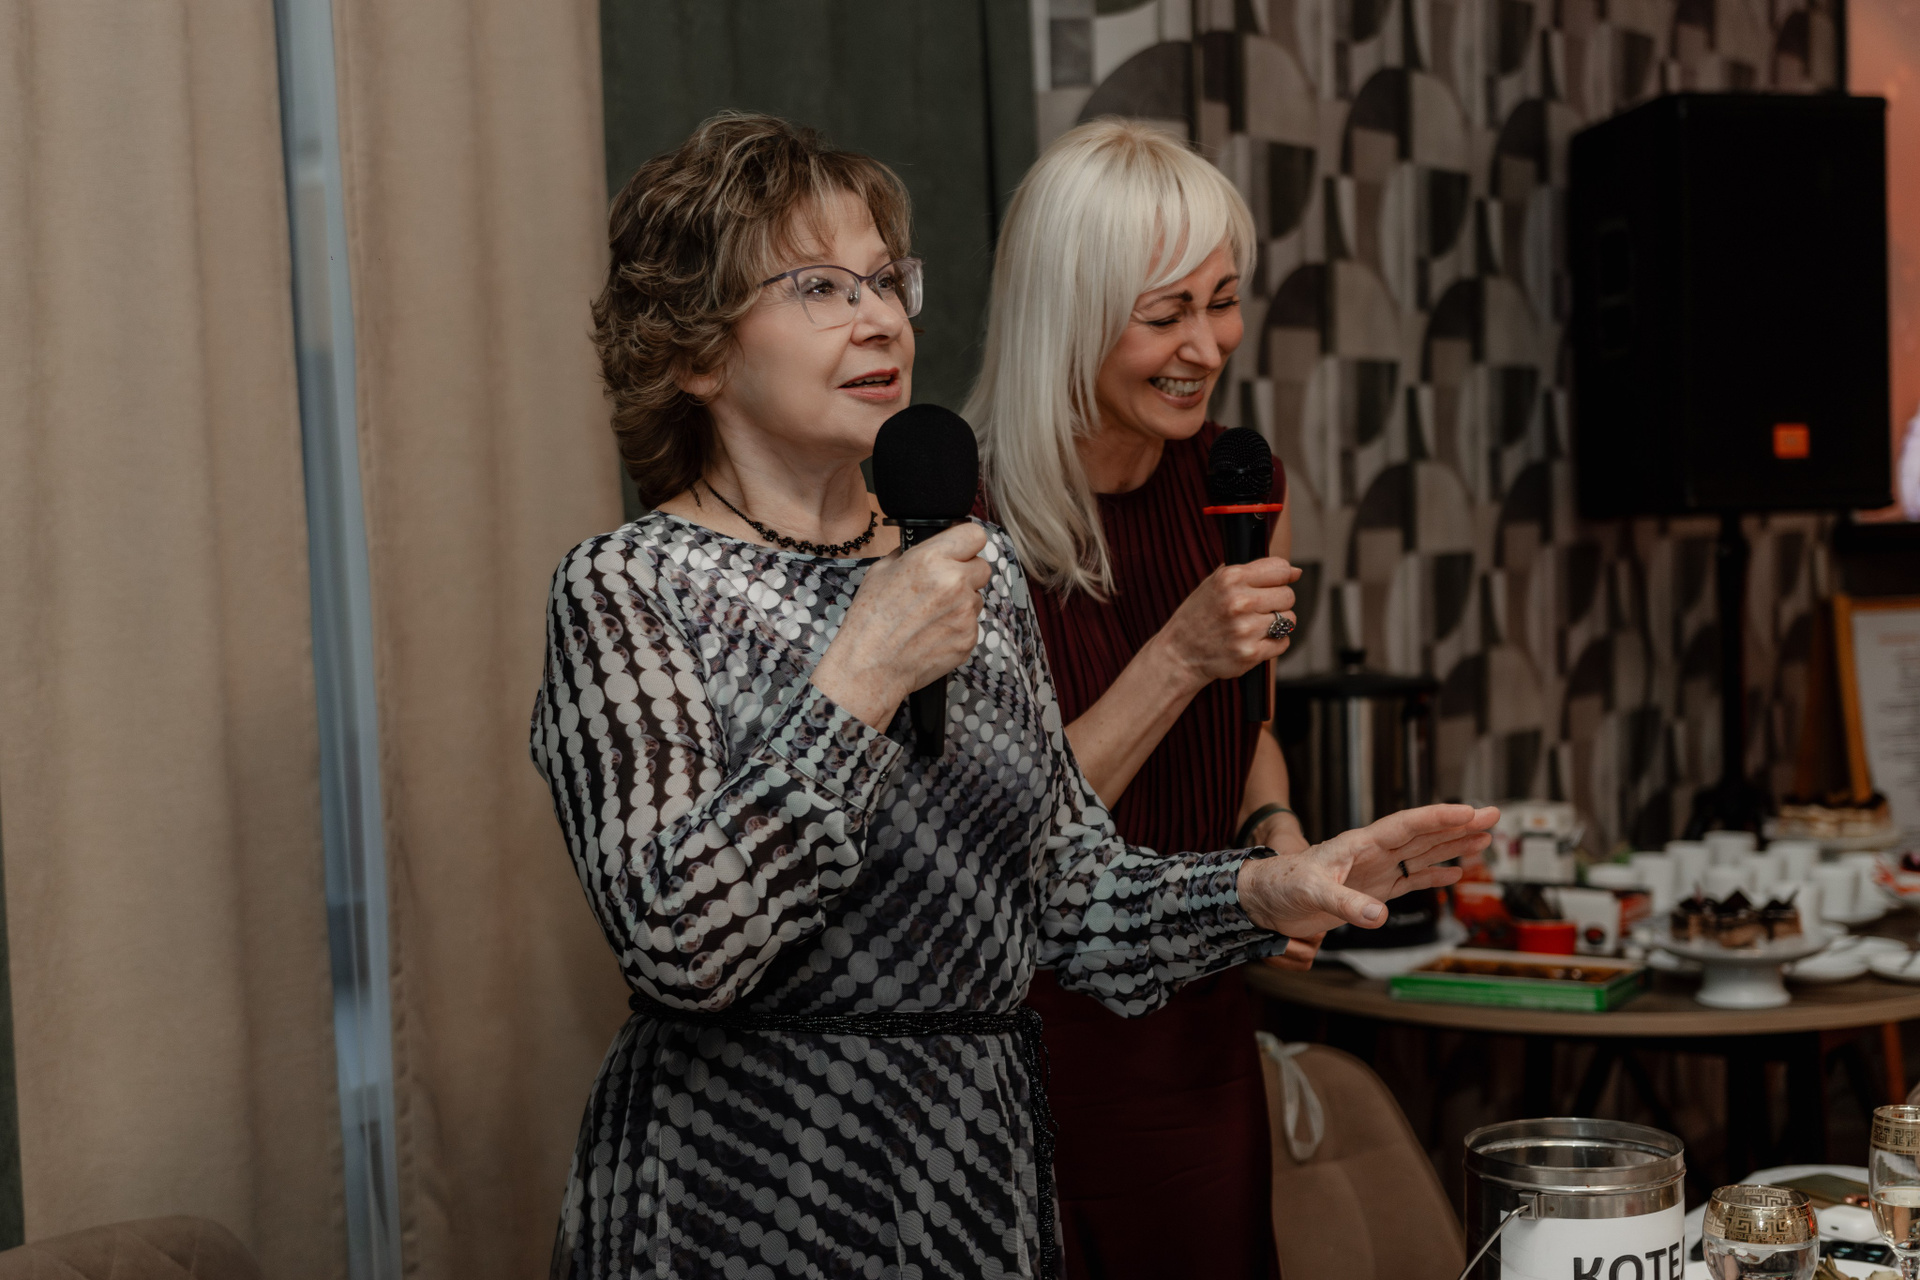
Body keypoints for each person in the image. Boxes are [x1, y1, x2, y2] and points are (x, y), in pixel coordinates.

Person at [532, 110, 1495, 1280]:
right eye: (822, 287)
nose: (882, 318)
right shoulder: (629, 584)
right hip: (741, 1190)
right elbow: (683, 947)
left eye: (886, 281)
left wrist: (1267, 886)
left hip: (972, 1180)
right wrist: (861, 676)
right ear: (693, 350)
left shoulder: (970, 566)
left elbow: (1072, 896)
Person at [965, 118, 1312, 1279]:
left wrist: (1277, 833)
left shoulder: (1240, 482)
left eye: (1224, 301)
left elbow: (1247, 724)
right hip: (1031, 1038)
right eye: (1164, 315)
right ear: (1066, 315)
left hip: (1201, 1025)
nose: (1206, 347)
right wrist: (1176, 654)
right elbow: (1003, 841)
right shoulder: (959, 527)